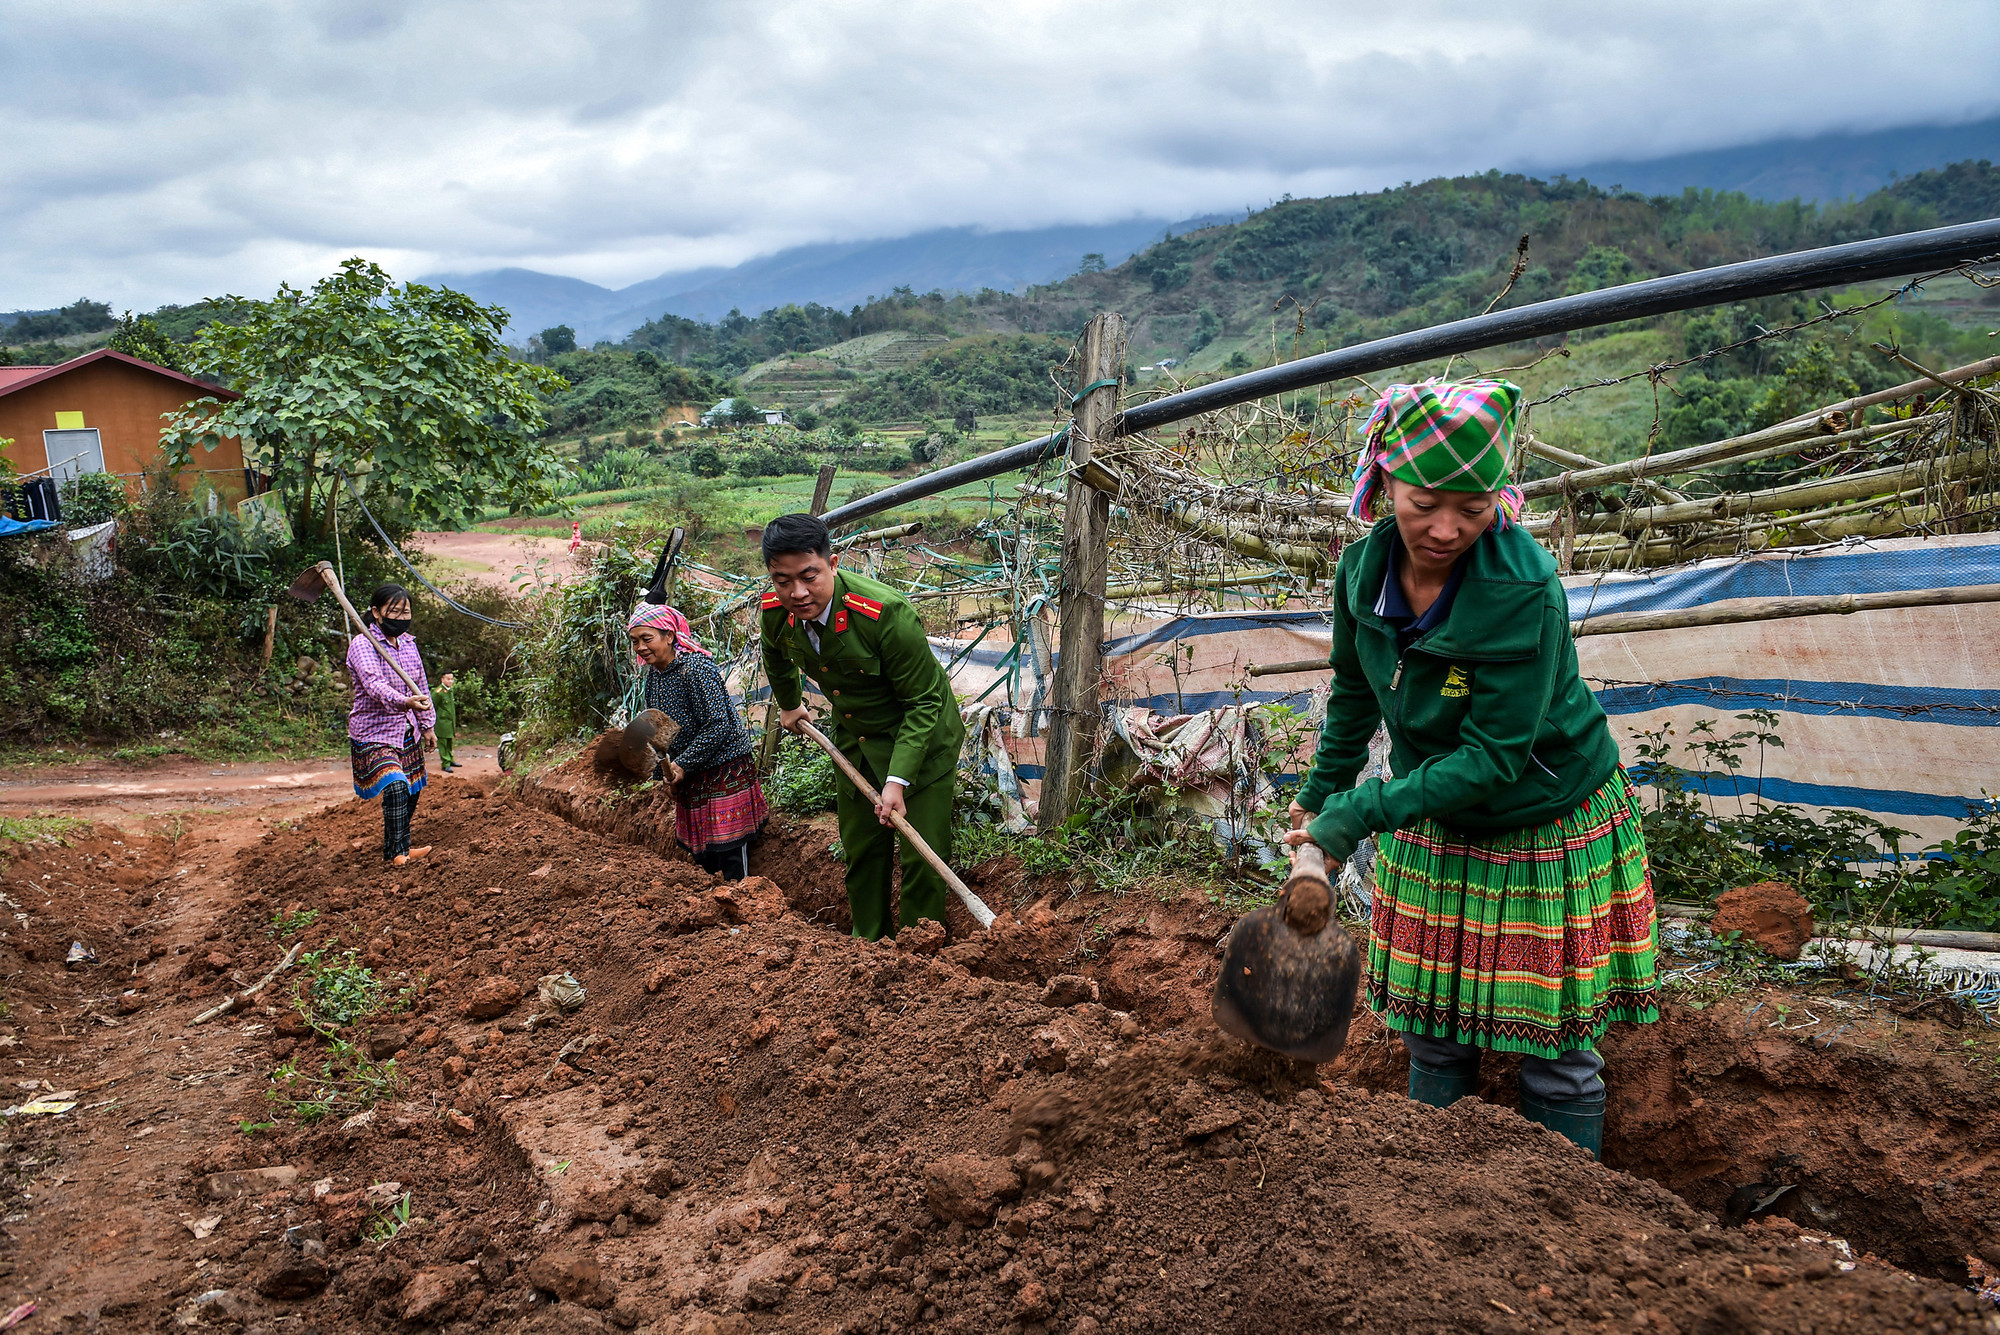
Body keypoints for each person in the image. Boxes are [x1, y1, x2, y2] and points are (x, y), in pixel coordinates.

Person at [1282, 379, 1658, 1160]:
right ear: (1384, 480)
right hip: (1434, 811)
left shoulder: (1522, 590)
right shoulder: (1361, 573)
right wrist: (1317, 805)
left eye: (1474, 505)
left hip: (1543, 818)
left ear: (1499, 497)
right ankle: (1434, 1199)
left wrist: (1359, 812)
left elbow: (1494, 758)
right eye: (1425, 504)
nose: (1447, 528)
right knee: (1432, 1031)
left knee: (1557, 1054)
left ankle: (1571, 1211)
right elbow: (1355, 694)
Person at [759, 513, 964, 940]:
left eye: (809, 576)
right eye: (782, 580)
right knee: (862, 852)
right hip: (856, 741)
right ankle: (867, 950)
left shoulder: (884, 615)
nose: (797, 593)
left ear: (832, 563)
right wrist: (790, 703)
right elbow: (775, 654)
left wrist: (897, 779)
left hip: (921, 746)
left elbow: (924, 702)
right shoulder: (776, 612)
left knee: (922, 861)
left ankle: (921, 955)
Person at [627, 602, 768, 879]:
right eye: (635, 641)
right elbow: (659, 732)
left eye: (647, 639)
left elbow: (719, 725)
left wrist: (682, 764)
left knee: (728, 848)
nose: (640, 647)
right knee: (703, 854)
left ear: (669, 636)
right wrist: (664, 775)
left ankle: (743, 902)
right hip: (691, 772)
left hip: (723, 768)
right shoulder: (653, 677)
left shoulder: (696, 669)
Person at [347, 583, 437, 866]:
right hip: (374, 731)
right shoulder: (362, 645)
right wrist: (404, 702)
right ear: (376, 612)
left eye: (405, 612)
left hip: (407, 729)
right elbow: (374, 685)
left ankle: (399, 847)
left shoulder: (409, 644)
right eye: (394, 612)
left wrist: (427, 724)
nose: (400, 618)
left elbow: (420, 685)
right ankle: (397, 854)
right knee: (396, 785)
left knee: (413, 787)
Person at [430, 672, 459, 771]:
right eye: (448, 679)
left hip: (450, 722)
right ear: (442, 680)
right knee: (442, 743)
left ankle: (451, 759)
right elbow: (432, 706)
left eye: (452, 679)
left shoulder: (449, 691)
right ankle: (445, 763)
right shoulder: (438, 692)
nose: (450, 681)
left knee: (449, 742)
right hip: (441, 723)